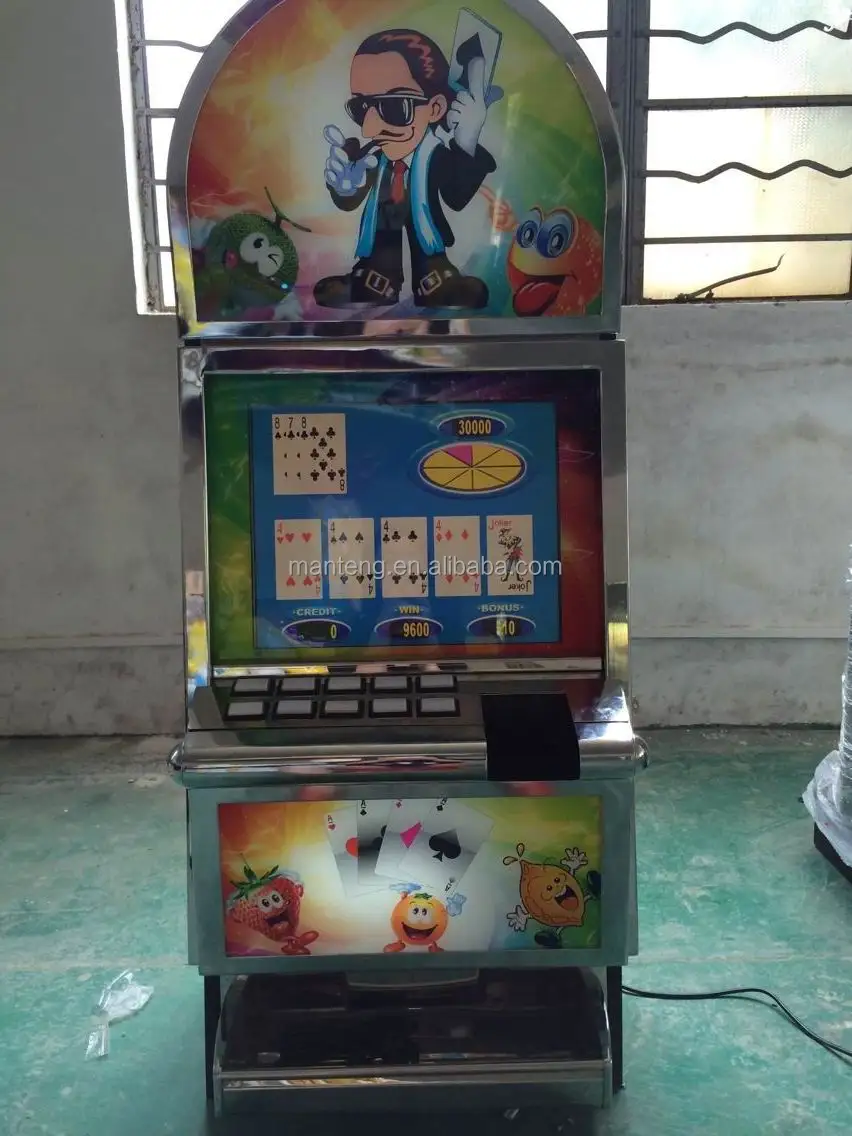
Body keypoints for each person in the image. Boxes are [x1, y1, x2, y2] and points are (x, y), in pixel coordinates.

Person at [314, 28, 501, 310]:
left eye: (395, 107)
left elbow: (456, 197)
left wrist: (467, 140)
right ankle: (375, 281)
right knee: (380, 243)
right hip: (378, 251)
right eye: (361, 108)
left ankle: (434, 280)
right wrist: (344, 187)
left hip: (432, 259)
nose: (369, 129)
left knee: (430, 262)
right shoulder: (370, 159)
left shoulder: (435, 155)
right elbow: (349, 198)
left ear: (435, 108)